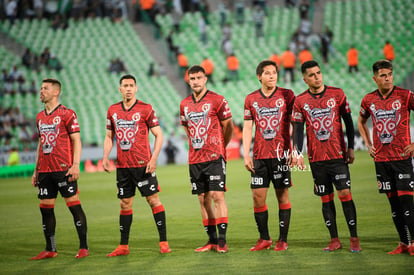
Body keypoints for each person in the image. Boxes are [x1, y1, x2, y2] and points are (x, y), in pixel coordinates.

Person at [291, 60, 360, 253]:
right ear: (305, 79)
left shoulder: (337, 94)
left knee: (345, 194)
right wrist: (297, 152)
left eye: (318, 73)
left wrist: (351, 147)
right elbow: (297, 129)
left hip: (338, 156)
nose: (317, 77)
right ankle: (334, 240)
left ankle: (354, 238)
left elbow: (348, 122)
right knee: (325, 198)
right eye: (312, 75)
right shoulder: (300, 101)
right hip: (316, 159)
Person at [103, 74, 171, 256]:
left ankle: (163, 242)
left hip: (143, 165)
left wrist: (154, 158)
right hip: (123, 167)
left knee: (153, 200)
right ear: (120, 89)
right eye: (125, 85)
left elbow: (159, 135)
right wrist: (105, 157)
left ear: (136, 88)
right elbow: (109, 136)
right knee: (125, 203)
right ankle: (123, 246)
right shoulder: (113, 110)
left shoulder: (145, 109)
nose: (128, 88)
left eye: (131, 85)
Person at [358, 60, 414, 256]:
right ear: (375, 78)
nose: (387, 78)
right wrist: (367, 144)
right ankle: (403, 243)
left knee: (407, 203)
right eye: (383, 75)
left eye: (389, 74)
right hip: (381, 160)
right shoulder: (368, 100)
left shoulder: (405, 96)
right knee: (394, 205)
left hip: (402, 158)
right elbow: (361, 121)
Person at [31, 78, 89, 260]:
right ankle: (51, 249)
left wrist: (75, 164)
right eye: (41, 88)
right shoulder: (40, 117)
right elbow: (41, 143)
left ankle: (83, 247)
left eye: (45, 88)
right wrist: (36, 170)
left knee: (74, 206)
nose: (41, 91)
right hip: (45, 171)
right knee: (45, 209)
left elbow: (76, 140)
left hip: (63, 169)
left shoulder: (67, 114)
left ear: (55, 92)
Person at [180, 65, 233, 253]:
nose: (195, 81)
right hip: (195, 159)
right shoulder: (184, 104)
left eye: (199, 78)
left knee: (218, 196)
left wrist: (220, 145)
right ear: (189, 80)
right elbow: (186, 127)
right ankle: (211, 240)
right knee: (203, 199)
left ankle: (222, 241)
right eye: (192, 78)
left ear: (205, 79)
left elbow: (228, 126)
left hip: (214, 157)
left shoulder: (217, 100)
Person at [243, 60, 294, 251]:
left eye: (274, 73)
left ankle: (283, 239)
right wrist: (246, 153)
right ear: (259, 76)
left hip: (281, 155)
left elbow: (295, 124)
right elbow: (248, 127)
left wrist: (295, 151)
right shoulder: (251, 99)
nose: (272, 76)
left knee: (282, 195)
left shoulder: (287, 95)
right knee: (257, 196)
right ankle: (264, 238)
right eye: (267, 73)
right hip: (259, 156)